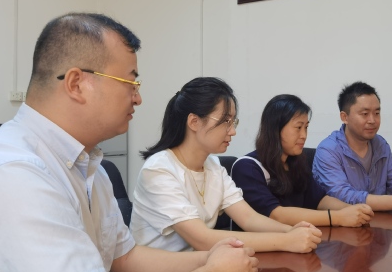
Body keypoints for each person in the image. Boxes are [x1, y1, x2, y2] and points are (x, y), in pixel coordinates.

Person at [0, 13, 258, 272]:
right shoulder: (16, 172)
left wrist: (210, 258)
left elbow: (125, 257)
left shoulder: (90, 165)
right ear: (76, 84)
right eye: (129, 82)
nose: (138, 98)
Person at [131, 79, 322, 254]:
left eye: (233, 122)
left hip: (202, 265)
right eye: (225, 121)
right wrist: (286, 240)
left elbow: (248, 218)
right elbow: (203, 239)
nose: (232, 131)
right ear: (194, 122)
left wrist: (291, 230)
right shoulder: (158, 170)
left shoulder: (213, 166)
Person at [231, 94, 374, 227]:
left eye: (306, 127)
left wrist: (351, 210)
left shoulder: (296, 162)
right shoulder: (247, 167)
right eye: (298, 128)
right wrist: (338, 217)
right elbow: (275, 215)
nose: (304, 135)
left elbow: (320, 200)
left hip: (297, 240)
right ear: (275, 129)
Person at [312, 82, 392, 213]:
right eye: (365, 114)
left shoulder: (380, 144)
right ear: (345, 117)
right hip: (343, 223)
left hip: (381, 221)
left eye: (377, 113)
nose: (372, 120)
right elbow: (343, 196)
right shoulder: (328, 150)